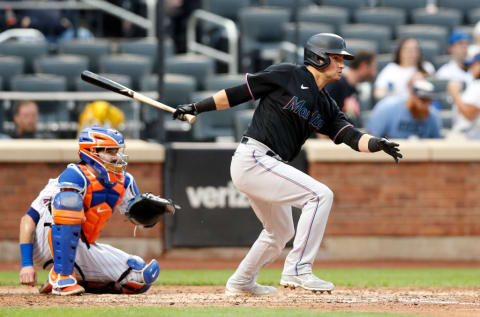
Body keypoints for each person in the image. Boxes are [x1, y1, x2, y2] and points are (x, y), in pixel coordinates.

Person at [172, 33, 403, 296]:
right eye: (337, 58)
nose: (342, 65)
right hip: (254, 158)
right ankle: (298, 269)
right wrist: (196, 108)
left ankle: (241, 282)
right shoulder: (287, 75)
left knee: (280, 232)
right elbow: (237, 94)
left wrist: (377, 144)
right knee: (320, 195)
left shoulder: (326, 104)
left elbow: (349, 136)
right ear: (319, 58)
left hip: (266, 164)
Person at [19, 126, 160, 295]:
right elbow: (28, 219)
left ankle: (77, 279)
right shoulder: (73, 175)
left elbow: (139, 219)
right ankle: (61, 277)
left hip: (79, 246)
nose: (116, 157)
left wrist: (150, 215)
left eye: (117, 152)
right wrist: (26, 264)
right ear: (92, 152)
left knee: (137, 278)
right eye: (110, 152)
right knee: (68, 201)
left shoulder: (125, 180)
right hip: (44, 245)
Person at [367, 79, 442, 139]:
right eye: (423, 100)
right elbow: (371, 138)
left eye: (429, 102)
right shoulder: (387, 108)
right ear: (412, 96)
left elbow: (437, 143)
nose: (426, 106)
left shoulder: (432, 115)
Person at [325, 50, 377, 126]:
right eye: (373, 67)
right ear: (364, 66)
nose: (374, 73)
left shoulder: (356, 89)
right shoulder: (335, 83)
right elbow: (323, 117)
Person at [447, 52, 480, 139]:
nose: (471, 68)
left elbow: (469, 114)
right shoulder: (474, 84)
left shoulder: (478, 86)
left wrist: (455, 94)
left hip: (470, 135)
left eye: (474, 65)